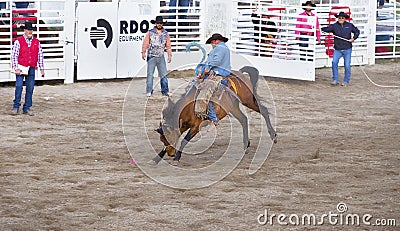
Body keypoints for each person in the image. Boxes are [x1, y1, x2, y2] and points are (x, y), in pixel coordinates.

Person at [194, 33, 231, 125]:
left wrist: (207, 68)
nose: (211, 44)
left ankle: (213, 117)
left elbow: (216, 61)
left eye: (212, 42)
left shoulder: (220, 48)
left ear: (216, 41)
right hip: (216, 73)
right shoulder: (222, 48)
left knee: (205, 94)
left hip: (218, 75)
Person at [11, 21, 45, 116]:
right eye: (29, 30)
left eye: (31, 30)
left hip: (31, 67)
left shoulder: (36, 42)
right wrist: (16, 67)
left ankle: (26, 107)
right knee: (19, 86)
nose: (30, 31)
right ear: (25, 30)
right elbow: (14, 56)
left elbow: (40, 55)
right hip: (21, 66)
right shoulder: (19, 41)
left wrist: (42, 68)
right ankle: (16, 106)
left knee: (30, 88)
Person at [321, 12, 360, 86]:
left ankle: (346, 81)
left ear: (345, 18)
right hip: (337, 49)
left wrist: (354, 38)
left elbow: (357, 31)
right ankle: (335, 79)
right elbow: (327, 29)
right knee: (334, 63)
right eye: (339, 18)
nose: (341, 19)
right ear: (337, 18)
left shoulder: (349, 25)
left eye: (342, 18)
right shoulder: (334, 26)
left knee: (347, 65)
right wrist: (320, 29)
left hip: (347, 48)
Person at [141, 16, 172, 97]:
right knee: (150, 74)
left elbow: (168, 45)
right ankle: (149, 90)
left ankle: (165, 91)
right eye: (158, 23)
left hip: (161, 56)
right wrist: (143, 52)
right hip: (151, 55)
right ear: (155, 23)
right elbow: (146, 43)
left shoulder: (165, 34)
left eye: (160, 23)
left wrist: (169, 55)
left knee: (164, 74)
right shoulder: (150, 33)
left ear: (162, 24)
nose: (159, 24)